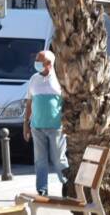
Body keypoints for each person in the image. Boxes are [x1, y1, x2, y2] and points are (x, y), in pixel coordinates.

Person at [24, 49, 67, 197]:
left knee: (59, 160)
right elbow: (29, 103)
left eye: (39, 60)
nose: (36, 63)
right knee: (40, 161)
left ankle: (67, 185)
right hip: (37, 127)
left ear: (49, 64)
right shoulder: (33, 79)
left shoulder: (60, 80)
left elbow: (68, 104)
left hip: (56, 128)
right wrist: (26, 125)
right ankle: (42, 189)